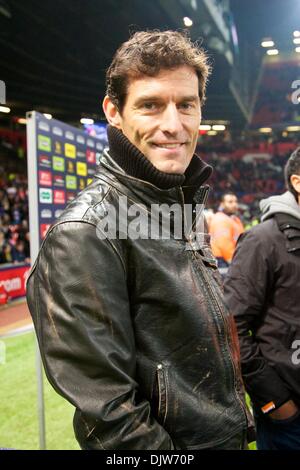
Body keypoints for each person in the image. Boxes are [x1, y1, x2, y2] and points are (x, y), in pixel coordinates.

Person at [26, 30, 249, 450]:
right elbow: (111, 418)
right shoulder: (86, 232)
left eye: (186, 105)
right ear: (114, 111)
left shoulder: (180, 207)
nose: (173, 124)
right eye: (150, 105)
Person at [224, 147, 300, 450]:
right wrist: (276, 401)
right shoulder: (263, 240)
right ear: (297, 181)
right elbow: (231, 326)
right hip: (290, 414)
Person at [209, 192, 244, 268]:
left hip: (233, 258)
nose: (234, 204)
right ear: (222, 204)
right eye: (230, 202)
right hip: (224, 260)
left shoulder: (235, 219)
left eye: (236, 202)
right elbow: (224, 244)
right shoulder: (221, 220)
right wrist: (233, 261)